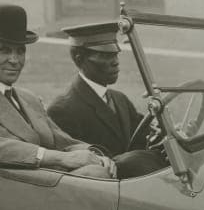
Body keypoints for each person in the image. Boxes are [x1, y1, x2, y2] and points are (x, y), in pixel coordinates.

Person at [0, 3, 116, 177]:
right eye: (4, 51)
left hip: (49, 182)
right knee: (98, 175)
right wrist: (58, 158)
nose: (14, 60)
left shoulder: (29, 98)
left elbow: (62, 141)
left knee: (117, 168)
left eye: (20, 51)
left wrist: (95, 155)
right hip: (12, 186)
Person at [47, 22, 165, 179]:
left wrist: (164, 130)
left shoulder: (120, 99)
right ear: (79, 58)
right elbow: (74, 170)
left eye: (115, 54)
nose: (115, 62)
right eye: (105, 56)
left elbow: (143, 138)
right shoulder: (62, 110)